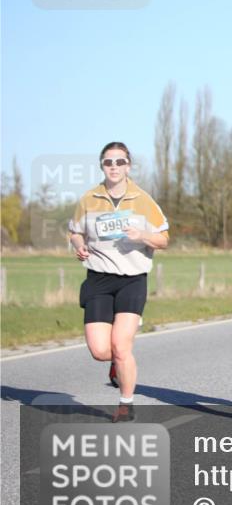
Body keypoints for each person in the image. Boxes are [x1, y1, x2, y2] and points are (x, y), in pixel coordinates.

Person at [68, 142, 169, 423]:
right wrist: (78, 245)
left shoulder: (143, 200)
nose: (114, 167)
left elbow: (164, 239)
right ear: (102, 166)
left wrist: (142, 236)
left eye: (119, 162)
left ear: (129, 166)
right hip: (99, 279)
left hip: (132, 280)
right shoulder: (89, 199)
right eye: (108, 162)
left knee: (122, 346)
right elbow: (75, 231)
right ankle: (115, 366)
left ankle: (126, 404)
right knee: (101, 350)